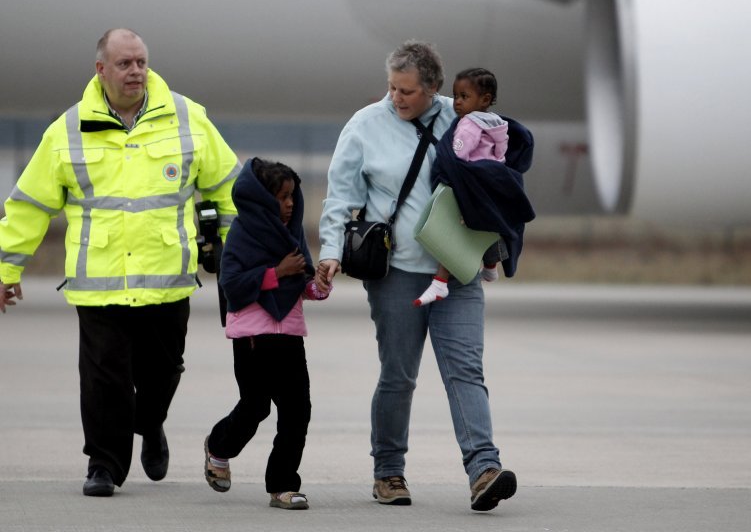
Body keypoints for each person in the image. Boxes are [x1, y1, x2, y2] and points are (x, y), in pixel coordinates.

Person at [0, 28, 240, 497]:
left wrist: (233, 254)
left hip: (168, 278)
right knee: (103, 376)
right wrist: (6, 270)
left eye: (141, 62)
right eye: (125, 64)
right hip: (100, 281)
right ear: (101, 70)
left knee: (163, 371)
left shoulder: (187, 118)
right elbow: (29, 204)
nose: (136, 71)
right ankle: (104, 464)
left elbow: (229, 188)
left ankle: (150, 425)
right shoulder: (67, 130)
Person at [315, 40, 517, 512]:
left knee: (465, 370)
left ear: (433, 89)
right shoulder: (365, 125)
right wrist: (330, 254)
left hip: (458, 272)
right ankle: (388, 472)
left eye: (407, 91)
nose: (397, 98)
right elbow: (340, 197)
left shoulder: (460, 118)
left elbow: (498, 174)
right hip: (397, 275)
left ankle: (484, 469)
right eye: (392, 88)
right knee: (399, 376)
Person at [204, 158, 329, 510]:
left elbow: (301, 283)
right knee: (255, 407)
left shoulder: (293, 235)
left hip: (289, 335)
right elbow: (232, 285)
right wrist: (276, 272)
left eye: (292, 196)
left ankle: (283, 485)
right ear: (261, 199)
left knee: (297, 411)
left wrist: (317, 285)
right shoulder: (242, 234)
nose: (290, 204)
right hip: (253, 339)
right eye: (281, 196)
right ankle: (218, 446)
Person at [413, 67, 535, 306]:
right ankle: (490, 266)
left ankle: (440, 282)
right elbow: (500, 156)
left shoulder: (469, 123)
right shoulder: (498, 123)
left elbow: (458, 153)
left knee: (454, 231)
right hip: (491, 179)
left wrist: (449, 156)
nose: (457, 103)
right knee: (488, 225)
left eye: (464, 97)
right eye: (456, 96)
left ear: (485, 99)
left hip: (469, 181)